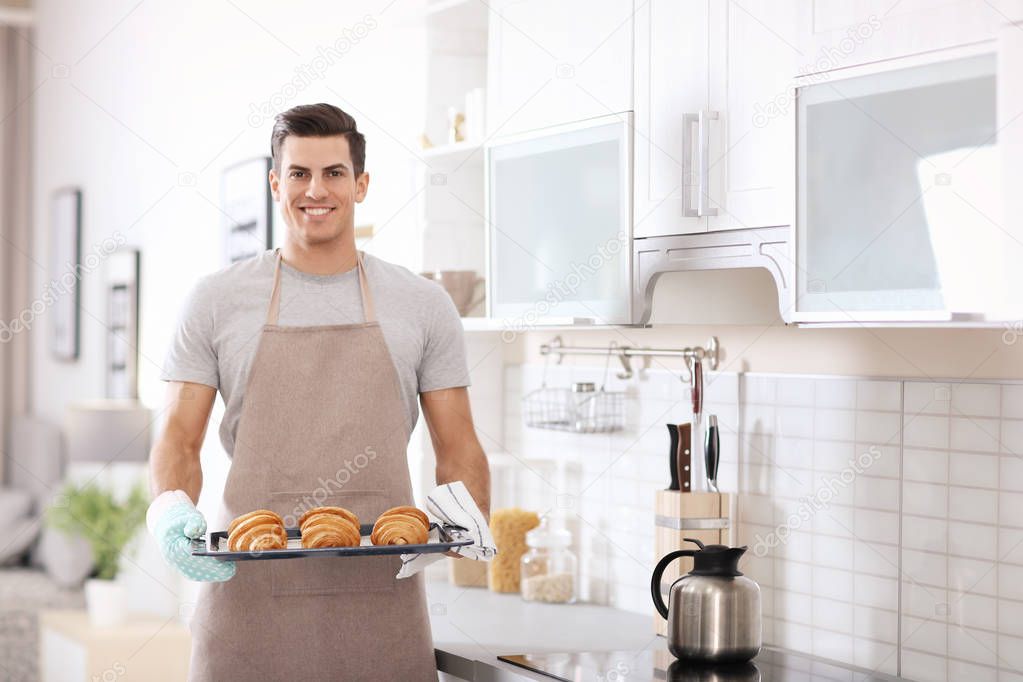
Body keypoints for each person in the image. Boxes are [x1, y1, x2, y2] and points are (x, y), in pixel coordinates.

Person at [146, 103, 491, 682]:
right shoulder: (215, 300)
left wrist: (471, 518)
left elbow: (458, 444)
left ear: (360, 184)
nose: (316, 190)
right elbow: (179, 438)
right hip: (247, 606)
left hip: (382, 608)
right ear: (276, 183)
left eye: (334, 173)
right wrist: (169, 510)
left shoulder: (423, 305)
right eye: (299, 173)